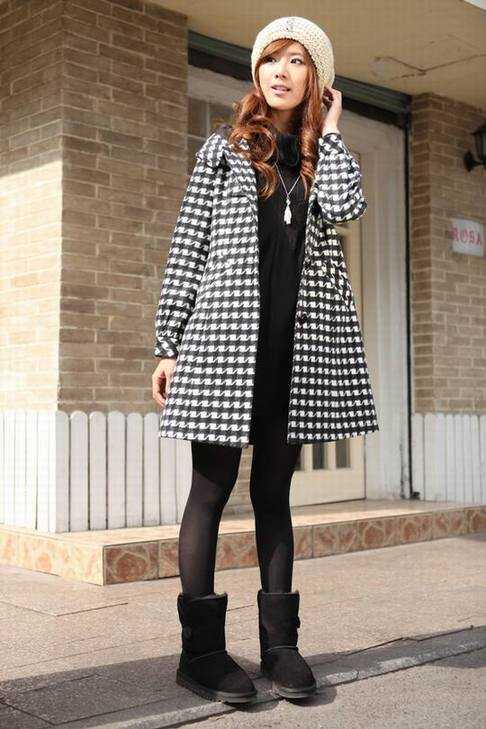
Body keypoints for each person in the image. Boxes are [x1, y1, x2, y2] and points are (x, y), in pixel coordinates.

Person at [152, 16, 369, 704]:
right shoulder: (224, 150)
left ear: (316, 80)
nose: (281, 71)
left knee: (274, 496)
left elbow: (349, 206)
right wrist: (168, 341)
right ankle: (201, 654)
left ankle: (281, 647)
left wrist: (331, 133)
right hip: (224, 347)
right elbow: (188, 247)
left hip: (293, 356)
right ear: (256, 72)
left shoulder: (318, 159)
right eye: (271, 59)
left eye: (297, 61)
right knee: (210, 491)